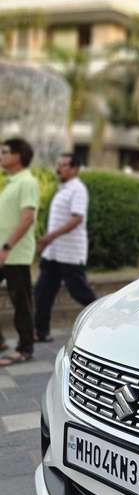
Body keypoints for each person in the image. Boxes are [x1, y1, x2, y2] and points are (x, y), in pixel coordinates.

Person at [34, 153, 97, 343]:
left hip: (70, 253)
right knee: (42, 292)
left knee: (80, 292)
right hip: (54, 253)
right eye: (58, 164)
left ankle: (106, 321)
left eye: (64, 165)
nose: (58, 168)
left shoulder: (78, 189)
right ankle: (41, 332)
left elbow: (77, 218)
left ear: (75, 169)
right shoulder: (64, 189)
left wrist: (49, 237)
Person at [0, 138, 39, 365]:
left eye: (5, 152)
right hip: (5, 253)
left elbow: (27, 219)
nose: (1, 156)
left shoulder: (27, 182)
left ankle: (25, 349)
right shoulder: (12, 182)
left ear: (18, 156)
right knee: (19, 301)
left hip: (15, 254)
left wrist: (7, 247)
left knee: (21, 303)